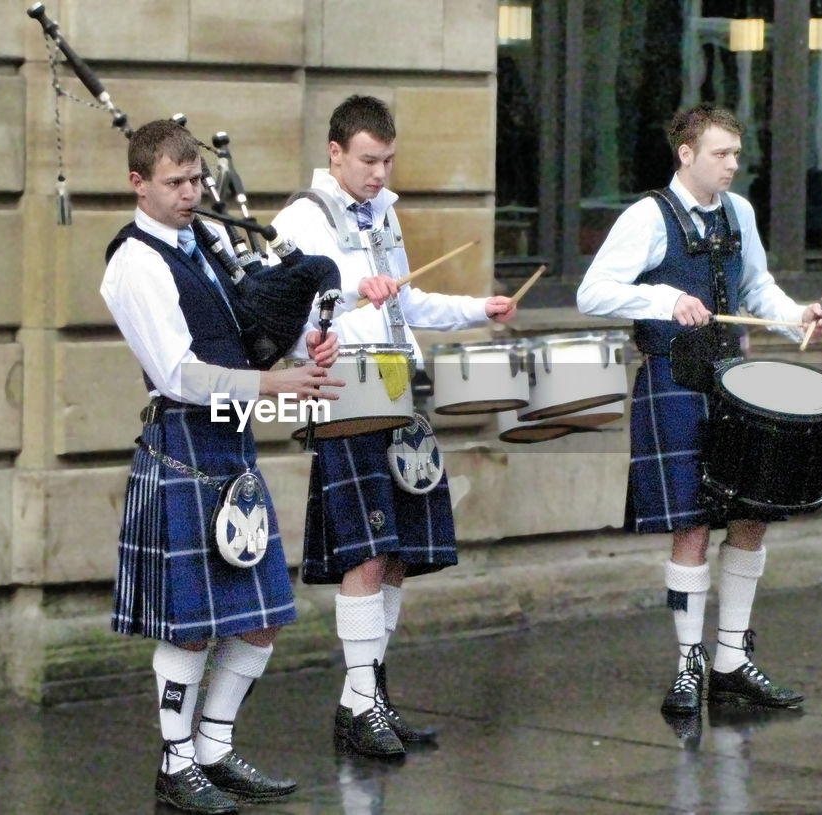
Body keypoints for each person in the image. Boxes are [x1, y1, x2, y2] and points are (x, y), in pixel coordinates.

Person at [100, 119, 342, 815]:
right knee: (194, 624)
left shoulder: (203, 242)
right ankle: (175, 764)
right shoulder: (135, 262)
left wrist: (300, 352)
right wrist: (275, 388)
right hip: (183, 442)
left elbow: (245, 335)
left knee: (261, 614)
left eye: (195, 179)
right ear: (137, 183)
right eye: (173, 182)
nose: (188, 193)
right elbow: (178, 372)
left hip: (231, 443)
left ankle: (212, 746)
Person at [271, 94, 517, 758]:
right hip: (348, 384)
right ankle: (359, 705)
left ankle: (367, 700)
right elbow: (289, 318)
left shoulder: (382, 211)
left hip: (398, 383)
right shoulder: (299, 219)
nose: (380, 173)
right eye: (368, 160)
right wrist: (353, 294)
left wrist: (478, 309)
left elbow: (408, 300)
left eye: (387, 159)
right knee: (367, 547)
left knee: (402, 547)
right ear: (335, 153)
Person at [577, 104, 822, 717]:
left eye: (737, 155)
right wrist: (664, 298)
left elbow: (756, 288)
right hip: (674, 377)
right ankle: (690, 664)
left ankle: (732, 660)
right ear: (686, 154)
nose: (733, 166)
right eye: (721, 154)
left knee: (751, 514)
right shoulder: (647, 216)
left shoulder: (740, 212)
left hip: (736, 384)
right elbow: (593, 292)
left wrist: (795, 314)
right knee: (691, 523)